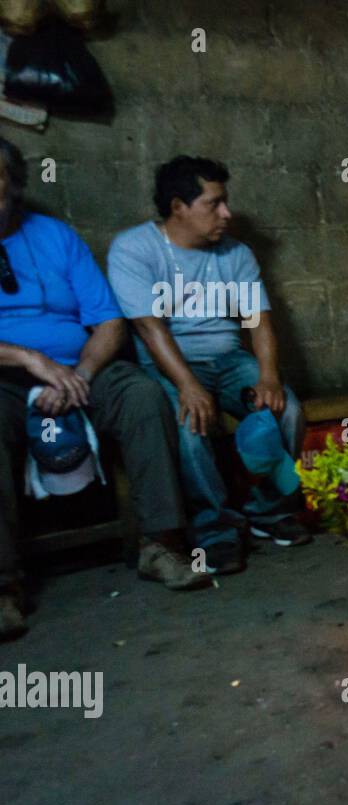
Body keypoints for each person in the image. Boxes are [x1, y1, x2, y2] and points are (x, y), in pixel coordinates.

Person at [0, 138, 207, 637]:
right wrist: (31, 359)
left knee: (141, 394)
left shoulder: (55, 236)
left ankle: (161, 545)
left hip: (79, 366)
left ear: (16, 186)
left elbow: (109, 322)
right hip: (6, 375)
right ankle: (4, 586)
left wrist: (83, 375)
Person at [108, 156, 311, 575]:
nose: (227, 213)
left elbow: (258, 321)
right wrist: (187, 384)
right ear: (179, 206)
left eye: (226, 202)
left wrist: (269, 376)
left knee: (286, 407)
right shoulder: (135, 249)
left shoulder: (235, 253)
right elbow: (149, 329)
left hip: (229, 360)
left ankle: (268, 512)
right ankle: (215, 529)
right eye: (214, 204)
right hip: (168, 363)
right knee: (189, 422)